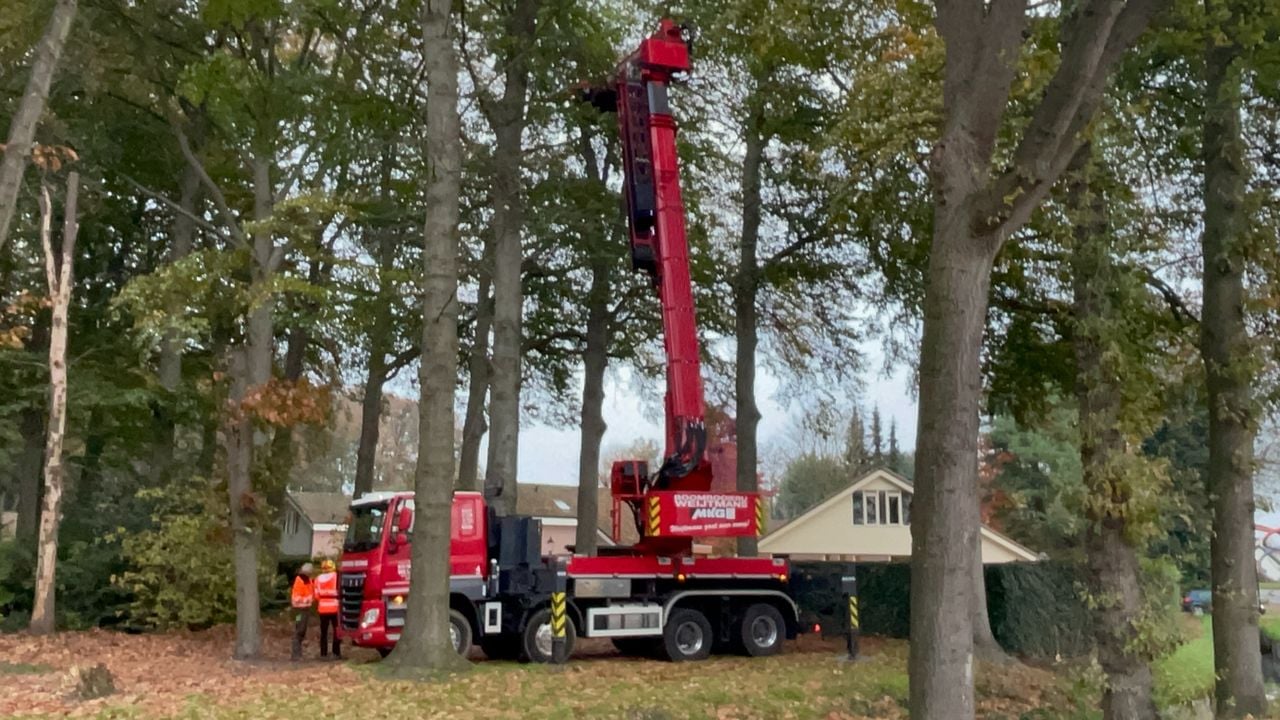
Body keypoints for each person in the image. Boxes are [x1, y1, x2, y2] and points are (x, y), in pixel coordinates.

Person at [314, 559, 341, 659]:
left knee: (324, 632)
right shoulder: (337, 576)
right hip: (334, 607)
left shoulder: (317, 579)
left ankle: (323, 653)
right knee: (336, 631)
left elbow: (316, 595)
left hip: (322, 609)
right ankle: (336, 653)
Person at [290, 562, 315, 661]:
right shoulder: (299, 580)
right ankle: (296, 654)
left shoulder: (308, 580)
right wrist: (308, 599)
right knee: (299, 630)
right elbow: (296, 598)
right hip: (299, 611)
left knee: (302, 631)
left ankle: (298, 653)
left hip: (304, 609)